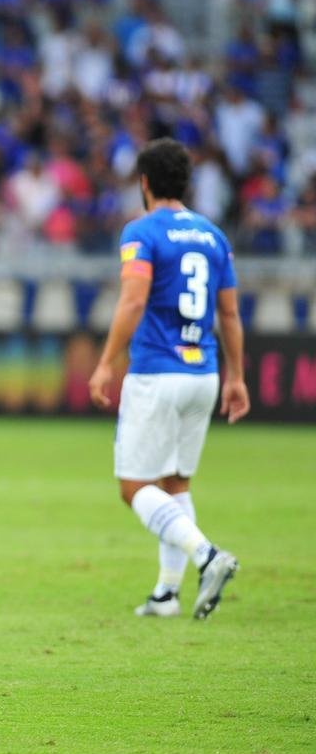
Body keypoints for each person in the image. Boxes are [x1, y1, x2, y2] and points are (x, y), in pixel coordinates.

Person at [88, 138, 248, 620]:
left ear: (144, 183)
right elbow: (231, 314)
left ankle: (207, 556)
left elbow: (134, 301)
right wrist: (236, 376)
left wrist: (104, 361)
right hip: (204, 374)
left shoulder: (142, 232)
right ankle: (167, 593)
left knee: (134, 487)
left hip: (158, 372)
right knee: (175, 484)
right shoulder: (213, 235)